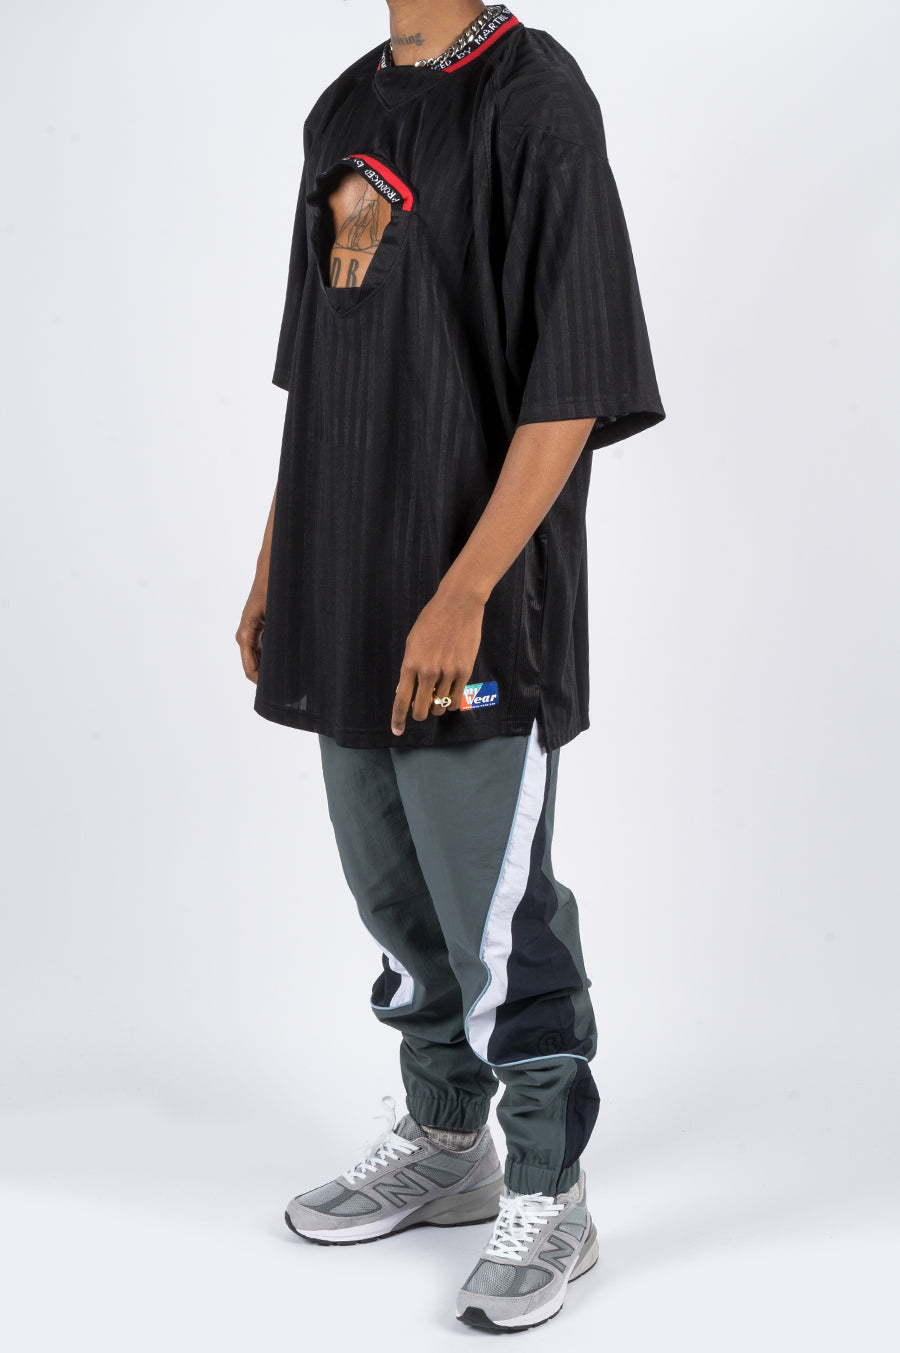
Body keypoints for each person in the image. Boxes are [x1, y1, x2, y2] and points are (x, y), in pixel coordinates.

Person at [235, 0, 665, 1332]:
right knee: (392, 890)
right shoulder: (344, 109)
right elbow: (319, 365)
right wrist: (277, 560)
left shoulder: (536, 102)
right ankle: (445, 1138)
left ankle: (550, 1187)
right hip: (344, 582)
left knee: (495, 913)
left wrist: (467, 590)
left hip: (472, 599)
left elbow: (574, 380)